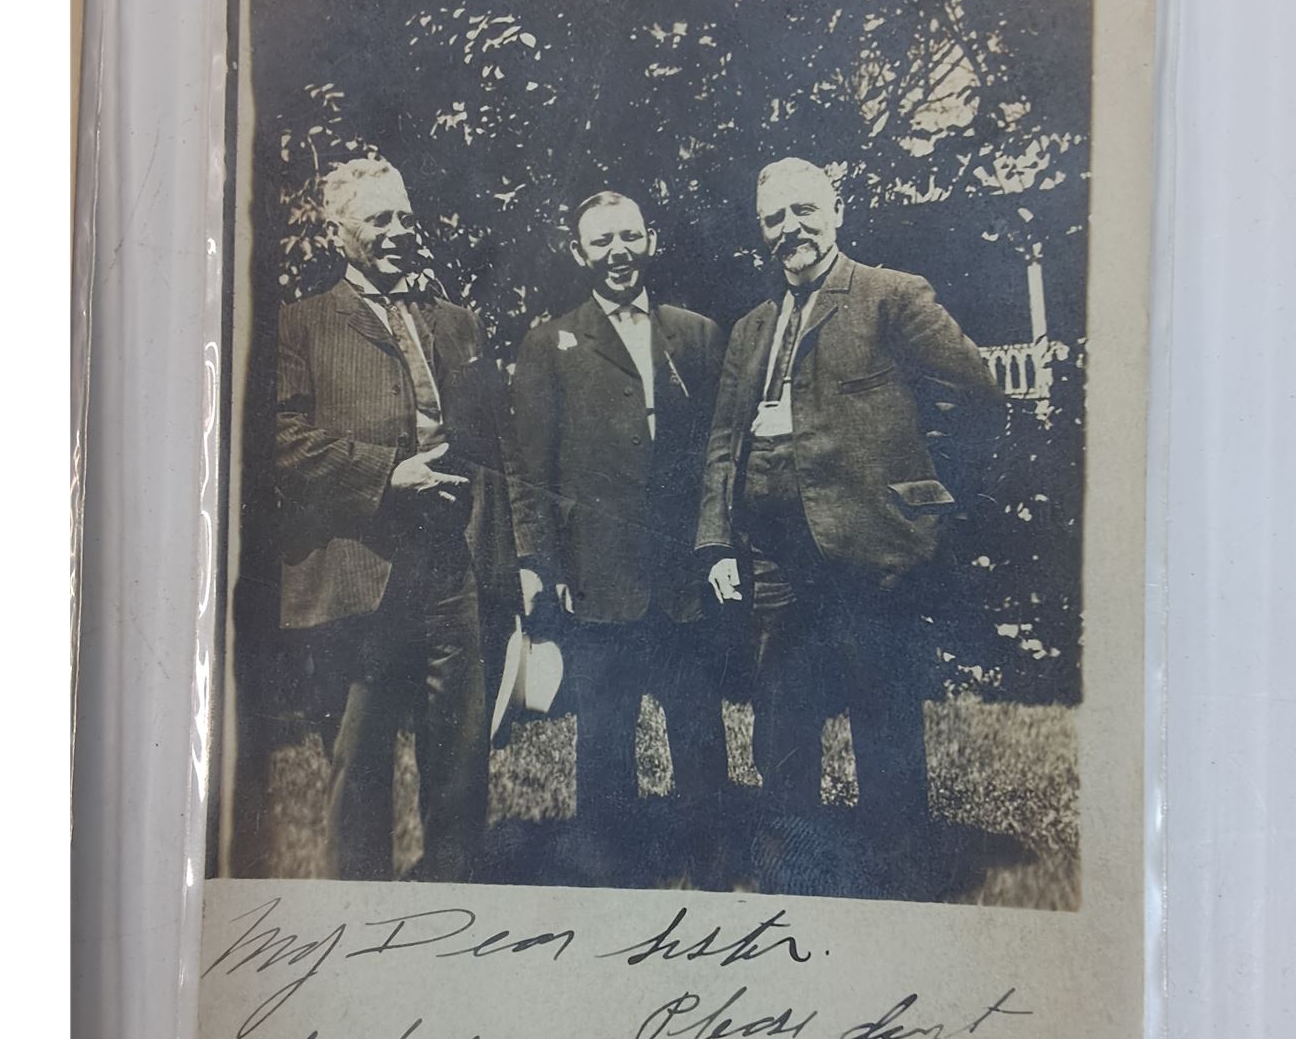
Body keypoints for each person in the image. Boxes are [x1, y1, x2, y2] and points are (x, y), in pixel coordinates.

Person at [697, 156, 1000, 840]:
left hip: (870, 546)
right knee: (782, 716)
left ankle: (897, 871)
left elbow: (976, 396)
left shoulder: (889, 296)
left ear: (837, 211)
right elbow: (723, 441)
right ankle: (795, 861)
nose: (790, 228)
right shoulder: (751, 328)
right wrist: (715, 542)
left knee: (882, 712)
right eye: (774, 218)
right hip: (774, 555)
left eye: (804, 210)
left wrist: (921, 496)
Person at [275, 156, 515, 881]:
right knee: (361, 754)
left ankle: (455, 897)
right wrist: (385, 475)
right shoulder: (300, 326)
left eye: (405, 217)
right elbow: (280, 443)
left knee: (461, 754)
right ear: (336, 233)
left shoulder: (455, 323)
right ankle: (359, 913)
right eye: (378, 219)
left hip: (452, 561)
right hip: (363, 565)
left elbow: (494, 448)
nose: (398, 232)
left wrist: (506, 567)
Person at [510, 190, 730, 883]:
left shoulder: (695, 334)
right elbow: (532, 471)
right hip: (597, 576)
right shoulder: (550, 344)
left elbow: (720, 451)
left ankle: (715, 868)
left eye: (628, 237)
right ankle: (609, 875)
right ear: (580, 253)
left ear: (650, 240)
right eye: (601, 241)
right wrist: (540, 564)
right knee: (604, 733)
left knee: (698, 725)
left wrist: (717, 548)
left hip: (682, 574)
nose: (617, 253)